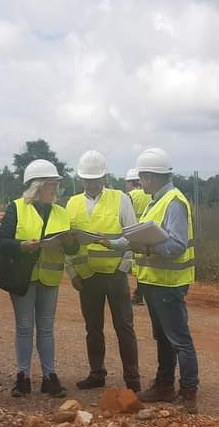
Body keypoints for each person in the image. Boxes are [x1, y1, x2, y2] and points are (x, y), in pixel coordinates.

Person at [103, 147, 200, 413]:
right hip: (156, 282)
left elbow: (177, 245)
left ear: (153, 177)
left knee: (179, 339)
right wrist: (111, 244)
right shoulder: (156, 201)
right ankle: (165, 386)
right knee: (164, 338)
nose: (140, 182)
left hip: (169, 283)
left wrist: (147, 248)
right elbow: (137, 237)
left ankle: (189, 391)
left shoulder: (174, 202)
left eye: (143, 177)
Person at [0, 159, 78, 398]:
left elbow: (70, 250)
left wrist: (71, 244)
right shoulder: (17, 208)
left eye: (56, 185)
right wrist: (22, 246)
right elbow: (2, 241)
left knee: (46, 328)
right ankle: (23, 377)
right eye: (53, 184)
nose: (56, 189)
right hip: (24, 278)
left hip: (49, 278)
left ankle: (49, 377)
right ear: (38, 186)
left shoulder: (61, 213)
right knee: (24, 327)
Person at [65, 150, 141, 392]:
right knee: (93, 328)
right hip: (87, 277)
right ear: (80, 179)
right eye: (86, 179)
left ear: (104, 178)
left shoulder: (121, 199)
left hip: (115, 276)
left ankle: (132, 378)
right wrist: (73, 273)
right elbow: (67, 242)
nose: (90, 183)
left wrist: (123, 268)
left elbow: (132, 237)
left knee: (124, 327)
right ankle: (96, 373)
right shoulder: (73, 203)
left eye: (95, 179)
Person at [125, 168, 150, 305]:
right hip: (149, 231)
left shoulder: (130, 196)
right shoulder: (150, 194)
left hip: (134, 231)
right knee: (145, 264)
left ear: (131, 182)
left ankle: (138, 294)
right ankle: (140, 293)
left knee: (136, 264)